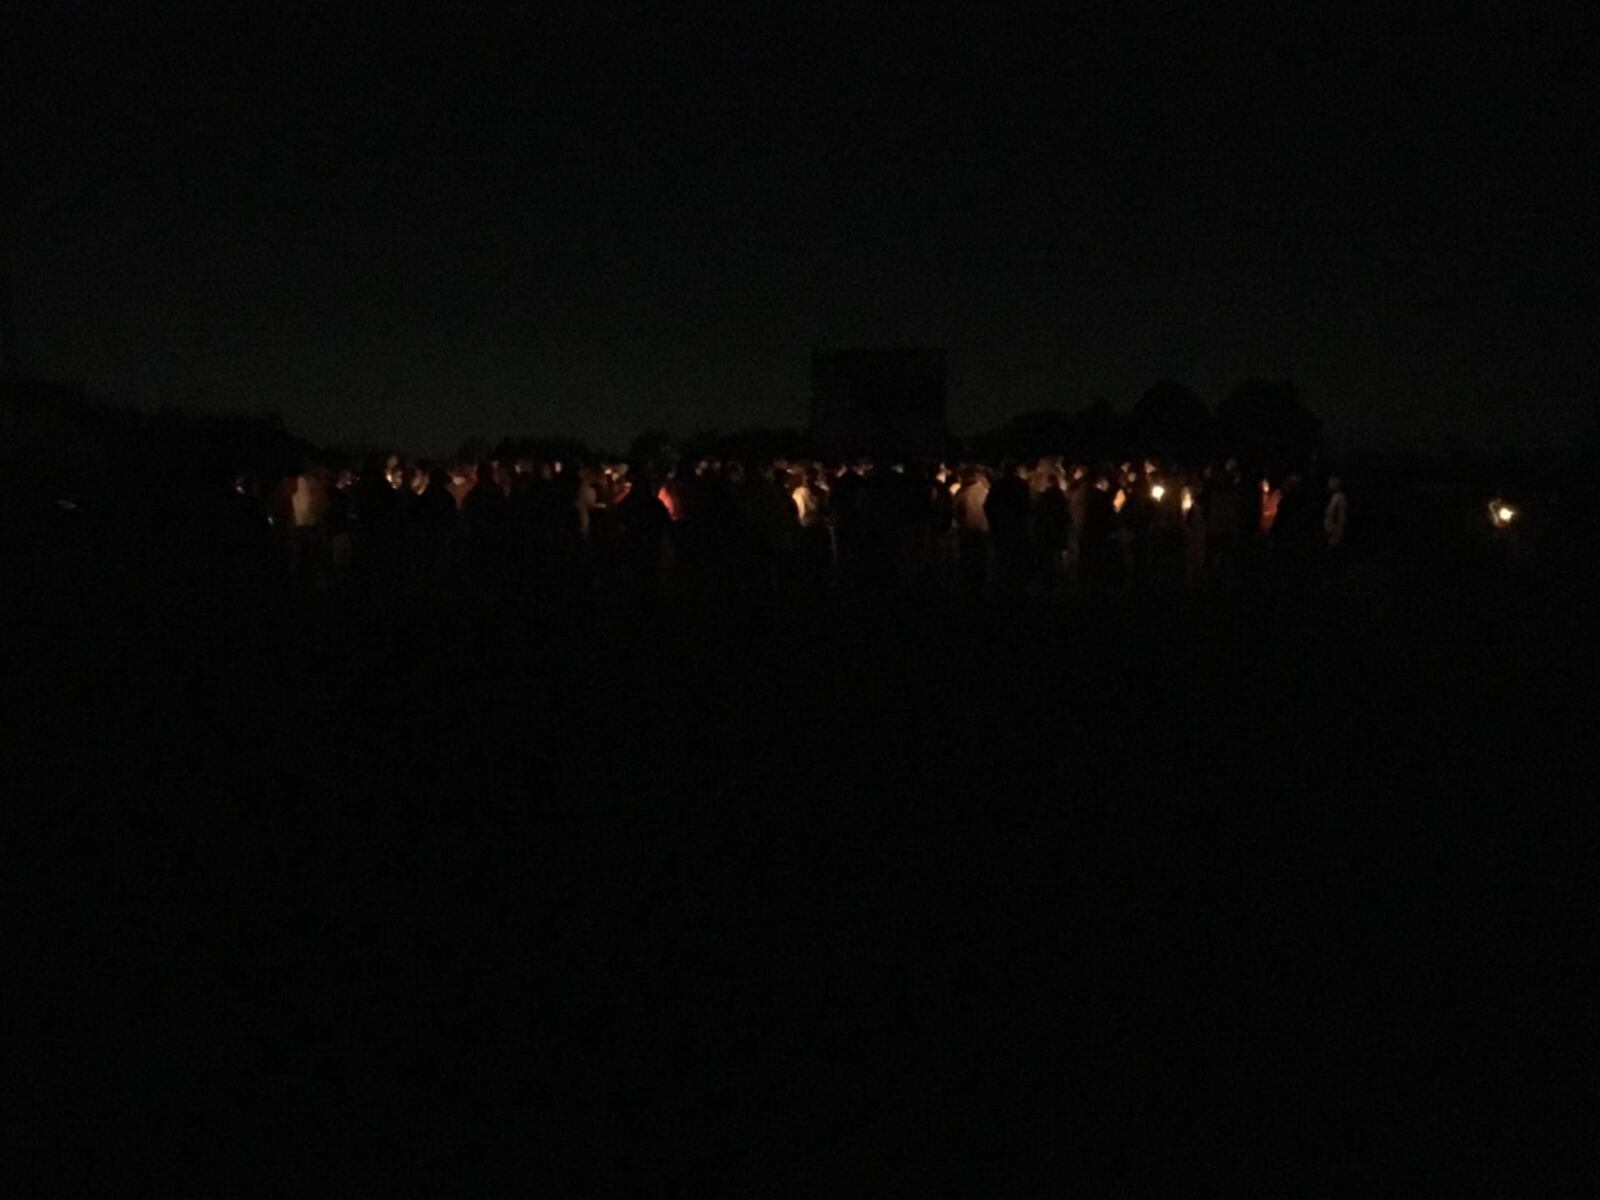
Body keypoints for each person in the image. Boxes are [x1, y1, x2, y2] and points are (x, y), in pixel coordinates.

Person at [1324, 475, 1348, 549]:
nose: (1329, 485)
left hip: (1335, 532)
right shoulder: (1335, 496)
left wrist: (1336, 530)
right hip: (1331, 530)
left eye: (1331, 483)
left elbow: (1339, 515)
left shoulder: (1340, 498)